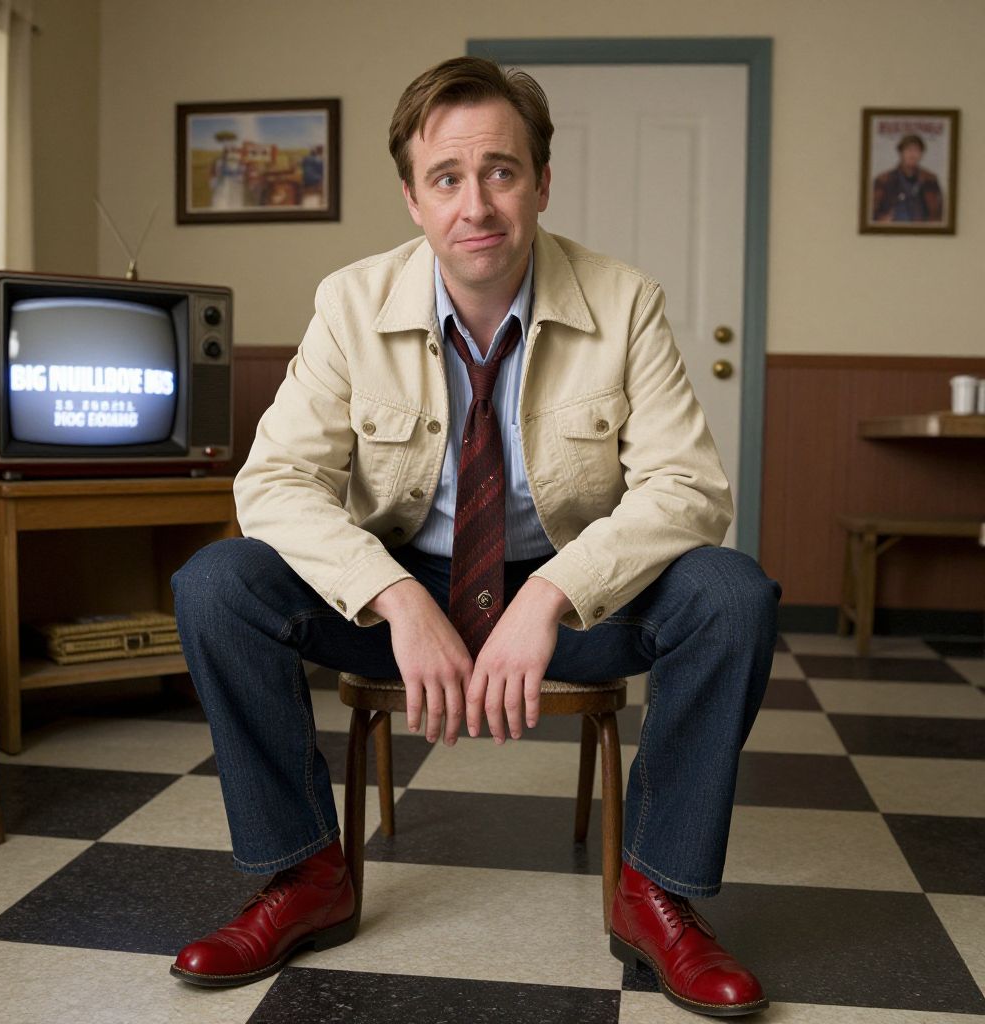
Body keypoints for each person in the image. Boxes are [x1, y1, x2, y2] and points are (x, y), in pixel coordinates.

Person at [170, 56, 780, 1018]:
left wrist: (549, 597)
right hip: (398, 584)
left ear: (542, 181)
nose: (477, 204)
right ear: (412, 198)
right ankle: (304, 876)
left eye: (501, 170)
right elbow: (275, 483)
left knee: (733, 593)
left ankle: (654, 893)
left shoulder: (625, 303)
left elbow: (690, 489)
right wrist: (396, 598)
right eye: (447, 178)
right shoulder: (349, 304)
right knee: (218, 582)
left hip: (571, 592)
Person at [872, 133, 943, 223]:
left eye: (916, 150)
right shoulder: (884, 179)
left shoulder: (930, 180)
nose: (912, 154)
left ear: (921, 154)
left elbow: (939, 212)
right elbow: (872, 210)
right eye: (909, 150)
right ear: (901, 153)